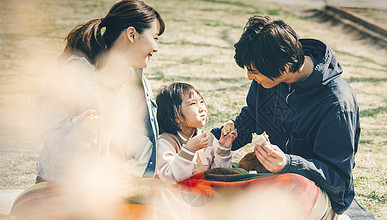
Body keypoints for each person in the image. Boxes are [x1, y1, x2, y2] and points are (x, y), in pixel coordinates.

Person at [212, 15, 360, 220]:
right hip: (270, 181)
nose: (249, 78)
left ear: (283, 67)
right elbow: (250, 119)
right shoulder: (267, 80)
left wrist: (289, 163)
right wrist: (211, 140)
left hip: (316, 195)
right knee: (212, 184)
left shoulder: (336, 102)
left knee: (252, 218)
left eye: (253, 72)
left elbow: (338, 178)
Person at [35, 0, 165, 184]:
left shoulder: (136, 83)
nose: (156, 48)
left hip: (104, 193)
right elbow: (51, 141)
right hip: (59, 187)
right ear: (132, 34)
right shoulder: (73, 74)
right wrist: (84, 129)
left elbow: (140, 145)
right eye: (155, 37)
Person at [155, 82, 238, 185]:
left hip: (204, 194)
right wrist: (189, 150)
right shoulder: (166, 142)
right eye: (193, 103)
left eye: (202, 101)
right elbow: (169, 178)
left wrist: (223, 149)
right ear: (176, 117)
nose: (202, 108)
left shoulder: (208, 138)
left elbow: (219, 175)